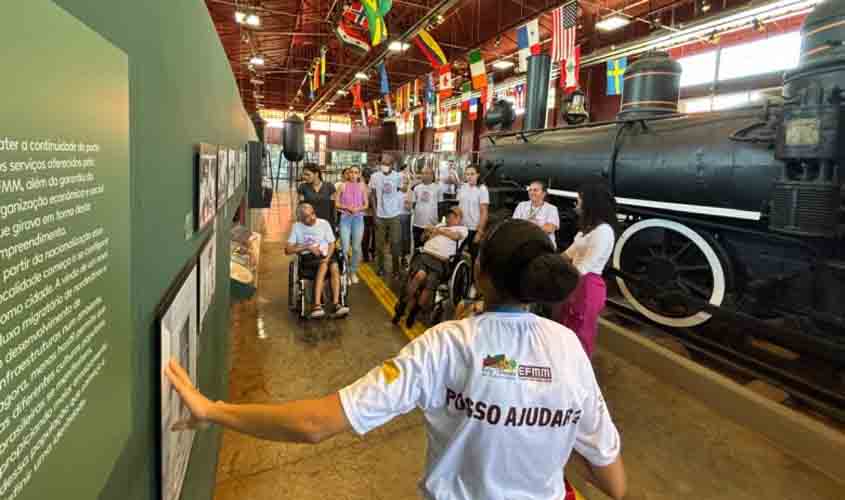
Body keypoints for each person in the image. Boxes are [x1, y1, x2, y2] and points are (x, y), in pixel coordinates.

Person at [163, 218, 626, 500]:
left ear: (478, 274)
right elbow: (614, 483)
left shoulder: (447, 344)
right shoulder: (569, 349)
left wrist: (214, 410)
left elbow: (315, 424)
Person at [558, 182, 618, 358]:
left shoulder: (604, 231)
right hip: (576, 281)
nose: (576, 204)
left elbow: (584, 267)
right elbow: (568, 254)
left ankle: (579, 368)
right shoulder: (587, 231)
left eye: (579, 201)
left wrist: (557, 276)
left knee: (581, 332)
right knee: (569, 327)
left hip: (587, 285)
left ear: (590, 203)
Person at [392, 206, 467, 328]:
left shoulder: (462, 229)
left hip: (441, 261)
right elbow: (423, 239)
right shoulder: (439, 225)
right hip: (426, 254)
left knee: (429, 285)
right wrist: (427, 233)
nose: (450, 218)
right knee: (419, 276)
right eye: (449, 216)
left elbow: (455, 236)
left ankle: (414, 312)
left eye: (453, 216)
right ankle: (402, 306)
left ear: (459, 218)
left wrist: (438, 231)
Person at [285, 203, 350, 319]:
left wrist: (327, 258)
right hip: (309, 258)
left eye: (313, 214)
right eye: (307, 217)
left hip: (326, 254)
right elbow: (288, 250)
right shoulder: (297, 227)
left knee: (333, 265)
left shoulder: (324, 224)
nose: (312, 218)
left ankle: (333, 304)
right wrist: (307, 247)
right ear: (301, 219)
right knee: (326, 265)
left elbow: (332, 243)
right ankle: (319, 305)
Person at [369, 153, 405, 279]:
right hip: (380, 215)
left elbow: (401, 191)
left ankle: (396, 270)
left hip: (394, 215)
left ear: (392, 165)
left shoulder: (398, 176)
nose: (384, 166)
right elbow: (372, 195)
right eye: (382, 163)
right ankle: (380, 268)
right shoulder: (375, 176)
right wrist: (375, 214)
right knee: (379, 245)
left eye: (387, 164)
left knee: (395, 244)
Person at [336, 165, 368, 285]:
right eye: (351, 172)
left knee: (356, 248)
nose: (353, 175)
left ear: (359, 174)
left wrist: (358, 209)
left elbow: (366, 204)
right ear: (348, 174)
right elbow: (336, 203)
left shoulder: (362, 186)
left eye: (356, 172)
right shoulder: (342, 186)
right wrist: (346, 207)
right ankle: (344, 272)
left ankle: (353, 271)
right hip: (345, 219)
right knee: (344, 247)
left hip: (358, 219)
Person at [456, 164, 489, 262]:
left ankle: (472, 272)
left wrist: (480, 232)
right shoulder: (463, 187)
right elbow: (459, 207)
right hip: (461, 227)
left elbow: (484, 212)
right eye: (467, 174)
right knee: (457, 254)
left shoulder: (482, 189)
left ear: (478, 175)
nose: (469, 177)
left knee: (473, 257)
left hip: (473, 229)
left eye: (472, 174)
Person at [513, 181, 560, 249]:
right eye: (530, 190)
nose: (532, 193)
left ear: (543, 194)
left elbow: (550, 228)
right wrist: (538, 226)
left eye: (535, 190)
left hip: (544, 246)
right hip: (523, 244)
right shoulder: (521, 205)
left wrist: (526, 226)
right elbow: (514, 225)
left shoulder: (552, 208)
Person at [409, 166, 442, 251]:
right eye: (423, 173)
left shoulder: (438, 188)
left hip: (431, 225)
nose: (424, 175)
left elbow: (440, 206)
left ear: (432, 176)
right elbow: (413, 204)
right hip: (417, 223)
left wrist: (439, 223)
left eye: (427, 173)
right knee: (417, 247)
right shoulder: (417, 188)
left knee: (429, 248)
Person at [298, 163, 336, 228]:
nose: (304, 177)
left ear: (316, 174)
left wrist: (334, 224)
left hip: (326, 223)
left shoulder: (329, 186)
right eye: (304, 174)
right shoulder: (302, 187)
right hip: (309, 223)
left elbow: (333, 207)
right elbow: (300, 206)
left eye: (307, 174)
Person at [398, 163, 414, 267]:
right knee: (398, 237)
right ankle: (399, 256)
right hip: (397, 215)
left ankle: (404, 257)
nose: (405, 182)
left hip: (406, 215)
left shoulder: (410, 192)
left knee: (405, 237)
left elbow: (409, 206)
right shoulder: (396, 192)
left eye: (406, 181)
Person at [361, 168, 376, 262]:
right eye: (366, 177)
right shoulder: (360, 187)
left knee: (375, 236)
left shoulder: (374, 186)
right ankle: (365, 255)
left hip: (374, 215)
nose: (368, 179)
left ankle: (373, 253)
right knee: (365, 236)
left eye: (369, 177)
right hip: (363, 215)